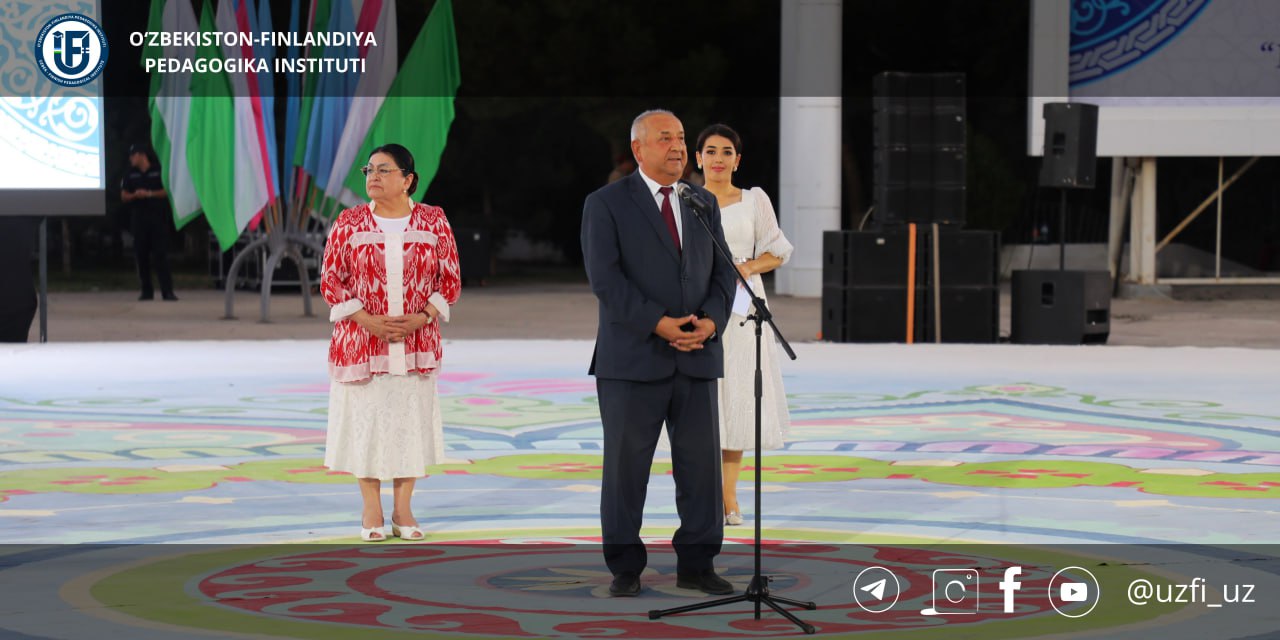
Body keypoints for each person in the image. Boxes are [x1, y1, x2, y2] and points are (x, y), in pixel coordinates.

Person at [581, 109, 737, 597]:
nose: (677, 146)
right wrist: (659, 323)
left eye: (681, 137)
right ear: (638, 149)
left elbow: (723, 271)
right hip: (632, 359)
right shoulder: (606, 203)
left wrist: (711, 321)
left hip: (697, 353)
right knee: (626, 471)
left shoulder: (701, 201)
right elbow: (606, 280)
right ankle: (625, 567)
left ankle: (698, 563)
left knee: (701, 470)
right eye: (665, 138)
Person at [320, 143, 461, 542]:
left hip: (416, 343)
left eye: (384, 170)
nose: (374, 177)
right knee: (366, 426)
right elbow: (331, 280)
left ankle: (403, 510)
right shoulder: (349, 222)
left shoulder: (433, 220)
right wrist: (368, 321)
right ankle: (371, 509)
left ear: (407, 179)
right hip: (361, 343)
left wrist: (422, 317)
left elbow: (450, 280)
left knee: (407, 425)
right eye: (369, 170)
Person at [695, 124, 794, 527]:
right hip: (700, 301)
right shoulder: (686, 199)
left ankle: (729, 496)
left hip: (743, 305)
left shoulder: (754, 199)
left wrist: (748, 267)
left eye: (726, 152)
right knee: (704, 398)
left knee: (737, 395)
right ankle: (702, 494)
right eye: (711, 151)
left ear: (738, 160)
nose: (718, 159)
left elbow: (779, 250)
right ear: (698, 158)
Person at [120, 143, 177, 301]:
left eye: (133, 155)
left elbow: (167, 191)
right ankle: (146, 291)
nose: (131, 159)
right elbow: (124, 195)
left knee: (161, 255)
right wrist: (135, 195)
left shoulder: (159, 170)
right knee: (141, 256)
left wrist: (149, 194)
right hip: (139, 220)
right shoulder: (130, 174)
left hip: (158, 219)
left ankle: (167, 291)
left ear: (141, 155)